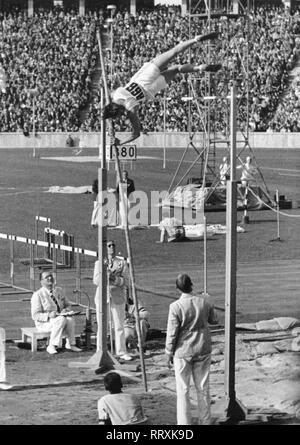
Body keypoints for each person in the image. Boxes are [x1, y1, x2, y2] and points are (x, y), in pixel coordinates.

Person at [103, 32, 221, 145]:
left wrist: (120, 142)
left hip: (150, 89)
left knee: (176, 69)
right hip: (144, 76)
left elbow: (136, 134)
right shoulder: (116, 94)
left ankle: (200, 68)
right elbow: (108, 102)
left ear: (117, 111)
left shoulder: (131, 110)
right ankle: (196, 40)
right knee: (173, 52)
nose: (120, 117)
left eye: (118, 116)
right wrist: (109, 120)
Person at [165, 274, 218, 425]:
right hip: (202, 348)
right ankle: (205, 421)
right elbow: (214, 320)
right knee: (203, 388)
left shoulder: (175, 306)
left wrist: (168, 352)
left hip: (183, 350)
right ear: (192, 285)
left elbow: (172, 332)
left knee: (182, 390)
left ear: (177, 288)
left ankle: (184, 424)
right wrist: (209, 301)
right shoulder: (203, 302)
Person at [93, 240, 133, 361]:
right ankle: (100, 350)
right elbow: (96, 281)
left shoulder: (122, 263)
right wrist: (105, 275)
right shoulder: (99, 263)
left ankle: (121, 351)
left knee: (119, 325)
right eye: (109, 246)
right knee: (102, 325)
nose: (112, 248)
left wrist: (114, 278)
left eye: (113, 245)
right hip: (102, 297)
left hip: (117, 297)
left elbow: (126, 281)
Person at [31, 270, 82, 355]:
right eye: (47, 277)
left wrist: (66, 309)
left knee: (69, 319)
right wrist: (49, 315)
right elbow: (35, 315)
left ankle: (71, 344)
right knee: (61, 319)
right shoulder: (38, 295)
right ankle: (52, 345)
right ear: (41, 281)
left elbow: (68, 304)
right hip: (44, 323)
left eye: (51, 276)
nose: (50, 278)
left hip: (60, 319)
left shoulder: (59, 290)